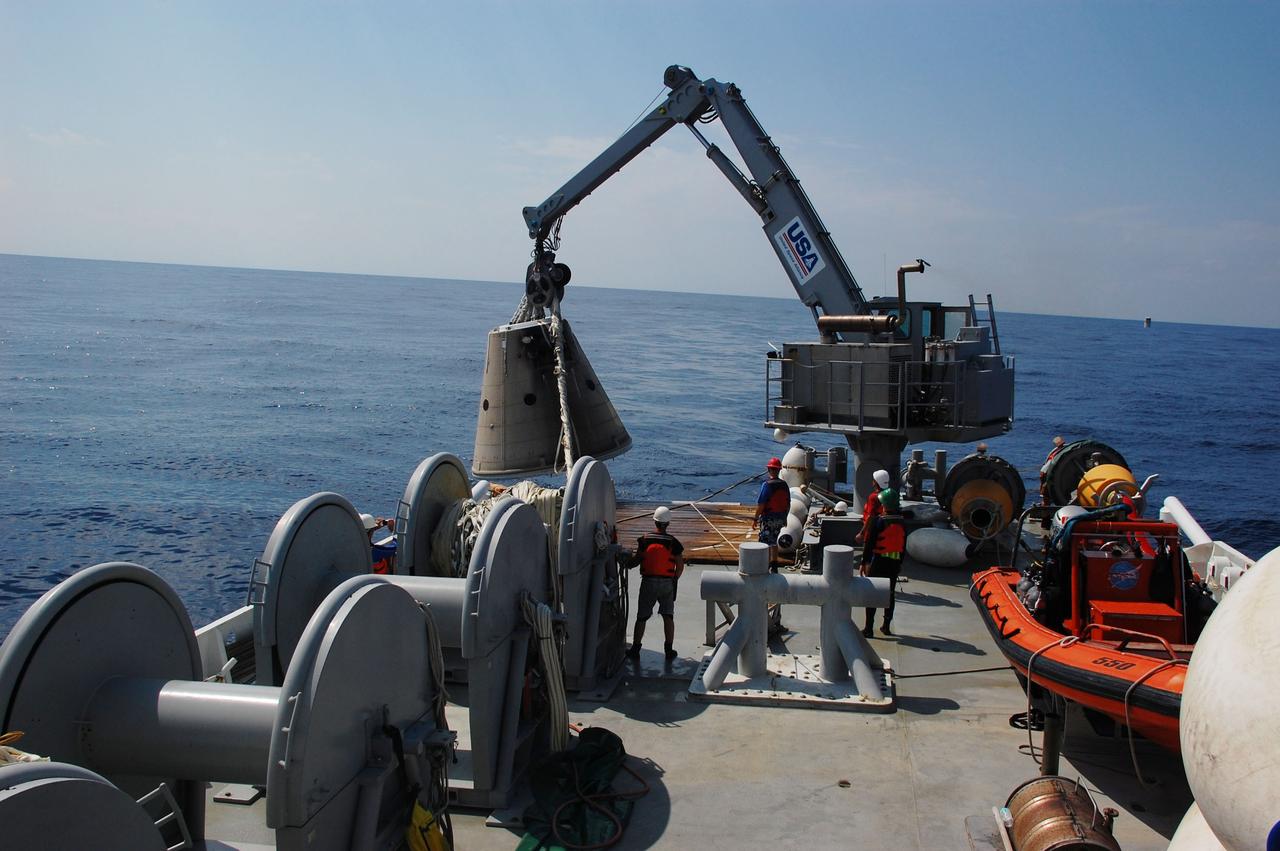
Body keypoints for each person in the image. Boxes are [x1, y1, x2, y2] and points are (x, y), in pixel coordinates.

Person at [627, 506, 685, 662]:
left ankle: (635, 648)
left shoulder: (644, 540)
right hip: (667, 583)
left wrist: (624, 561)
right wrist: (674, 579)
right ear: (668, 524)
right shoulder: (674, 543)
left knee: (642, 617)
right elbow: (680, 566)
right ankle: (669, 650)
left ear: (655, 521)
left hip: (648, 582)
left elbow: (636, 560)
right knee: (668, 616)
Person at [859, 486, 905, 637]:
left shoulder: (878, 522)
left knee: (872, 594)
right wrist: (900, 564)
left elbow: (870, 544)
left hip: (878, 563)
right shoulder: (902, 523)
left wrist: (864, 562)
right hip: (894, 564)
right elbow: (903, 546)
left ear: (884, 505)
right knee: (890, 594)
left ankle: (868, 628)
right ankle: (886, 626)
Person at [751, 457, 791, 559]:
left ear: (768, 470)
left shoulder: (766, 485)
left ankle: (765, 564)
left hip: (769, 518)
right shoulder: (784, 485)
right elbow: (788, 504)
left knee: (765, 542)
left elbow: (761, 504)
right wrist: (785, 518)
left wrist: (755, 519)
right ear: (779, 470)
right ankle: (774, 565)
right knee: (774, 541)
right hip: (780, 518)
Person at [855, 469, 891, 544]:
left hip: (872, 531)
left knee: (869, 554)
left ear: (875, 482)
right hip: (884, 529)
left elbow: (870, 516)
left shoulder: (873, 497)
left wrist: (862, 533)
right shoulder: (890, 494)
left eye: (873, 480)